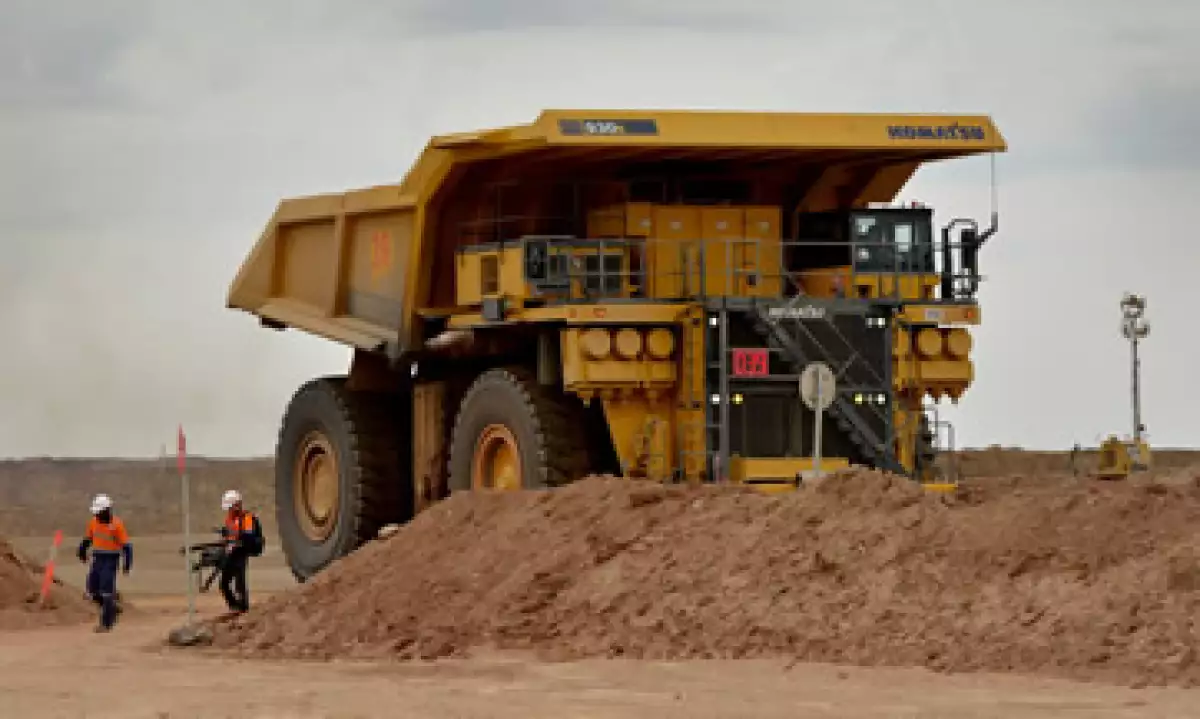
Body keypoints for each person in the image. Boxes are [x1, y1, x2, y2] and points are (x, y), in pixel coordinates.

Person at [76, 493, 132, 633]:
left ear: (107, 510)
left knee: (106, 592)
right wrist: (81, 551)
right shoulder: (94, 522)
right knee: (92, 590)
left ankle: (106, 624)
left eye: (99, 512)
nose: (97, 515)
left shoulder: (117, 525)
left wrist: (127, 564)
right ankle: (112, 608)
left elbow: (127, 547)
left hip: (111, 560)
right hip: (97, 559)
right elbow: (88, 539)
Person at [218, 489, 261, 613]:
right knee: (224, 583)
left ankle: (243, 608)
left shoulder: (247, 518)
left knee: (240, 582)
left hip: (241, 553)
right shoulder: (229, 519)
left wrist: (237, 539)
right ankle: (234, 607)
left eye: (231, 507)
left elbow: (249, 536)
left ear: (237, 505)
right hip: (231, 552)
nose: (229, 510)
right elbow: (228, 535)